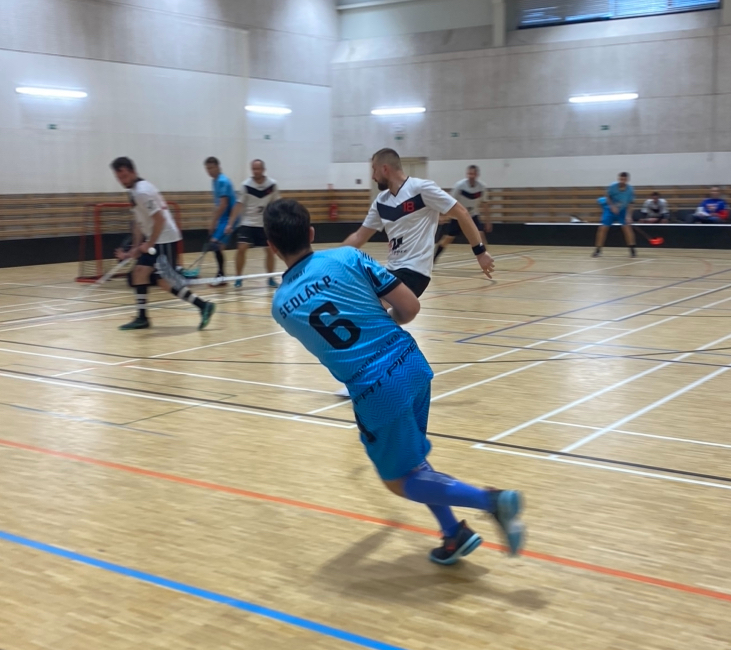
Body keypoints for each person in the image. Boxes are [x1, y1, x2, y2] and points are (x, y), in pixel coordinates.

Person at [265, 197, 525, 565]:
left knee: (398, 480)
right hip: (412, 363)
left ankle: (491, 501)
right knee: (412, 460)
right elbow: (409, 307)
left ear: (271, 246)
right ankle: (453, 533)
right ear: (311, 232)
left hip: (375, 390)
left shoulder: (281, 306)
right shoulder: (348, 257)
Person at [344, 148, 495, 294]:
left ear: (384, 169)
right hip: (391, 270)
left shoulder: (421, 189)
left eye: (374, 169)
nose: (373, 176)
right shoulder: (381, 201)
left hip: (414, 272)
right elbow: (359, 237)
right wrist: (331, 258)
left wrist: (480, 252)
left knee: (374, 306)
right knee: (351, 293)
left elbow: (462, 213)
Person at [111, 157, 215, 332]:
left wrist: (148, 244)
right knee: (139, 273)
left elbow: (160, 220)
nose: (122, 180)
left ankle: (203, 305)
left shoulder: (142, 192)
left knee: (163, 281)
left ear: (133, 172)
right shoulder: (134, 191)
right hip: (155, 238)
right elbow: (139, 222)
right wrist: (134, 248)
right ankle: (142, 318)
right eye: (119, 178)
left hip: (164, 238)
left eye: (125, 176)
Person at [231, 159, 280, 288]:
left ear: (263, 169)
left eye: (258, 169)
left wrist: (277, 220)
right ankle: (238, 277)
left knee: (270, 251)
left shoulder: (272, 185)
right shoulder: (246, 185)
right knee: (241, 249)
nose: (256, 171)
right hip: (247, 223)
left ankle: (270, 278)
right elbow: (239, 205)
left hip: (264, 224)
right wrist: (230, 223)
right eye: (253, 169)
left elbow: (276, 204)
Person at [434, 165, 492, 261]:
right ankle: (433, 259)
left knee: (481, 236)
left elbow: (485, 204)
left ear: (477, 175)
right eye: (469, 174)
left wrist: (488, 221)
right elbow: (449, 201)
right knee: (447, 239)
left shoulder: (482, 187)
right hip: (458, 216)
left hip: (472, 215)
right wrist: (443, 215)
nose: (471, 176)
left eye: (473, 174)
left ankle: (485, 259)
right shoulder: (459, 186)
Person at [204, 156, 236, 286]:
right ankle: (221, 275)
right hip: (223, 218)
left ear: (218, 167)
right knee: (218, 247)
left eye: (212, 168)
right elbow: (218, 204)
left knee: (215, 244)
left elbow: (223, 204)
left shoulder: (223, 181)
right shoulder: (215, 181)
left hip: (229, 217)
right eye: (207, 168)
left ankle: (221, 276)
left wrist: (213, 222)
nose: (209, 171)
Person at [592, 172, 636, 257]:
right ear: (619, 179)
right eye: (621, 179)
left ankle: (632, 250)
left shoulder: (630, 190)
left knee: (627, 228)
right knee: (603, 228)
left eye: (624, 179)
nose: (622, 181)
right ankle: (598, 250)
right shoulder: (612, 186)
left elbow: (631, 204)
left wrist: (628, 216)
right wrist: (612, 207)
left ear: (627, 180)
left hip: (622, 210)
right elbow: (607, 197)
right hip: (610, 210)